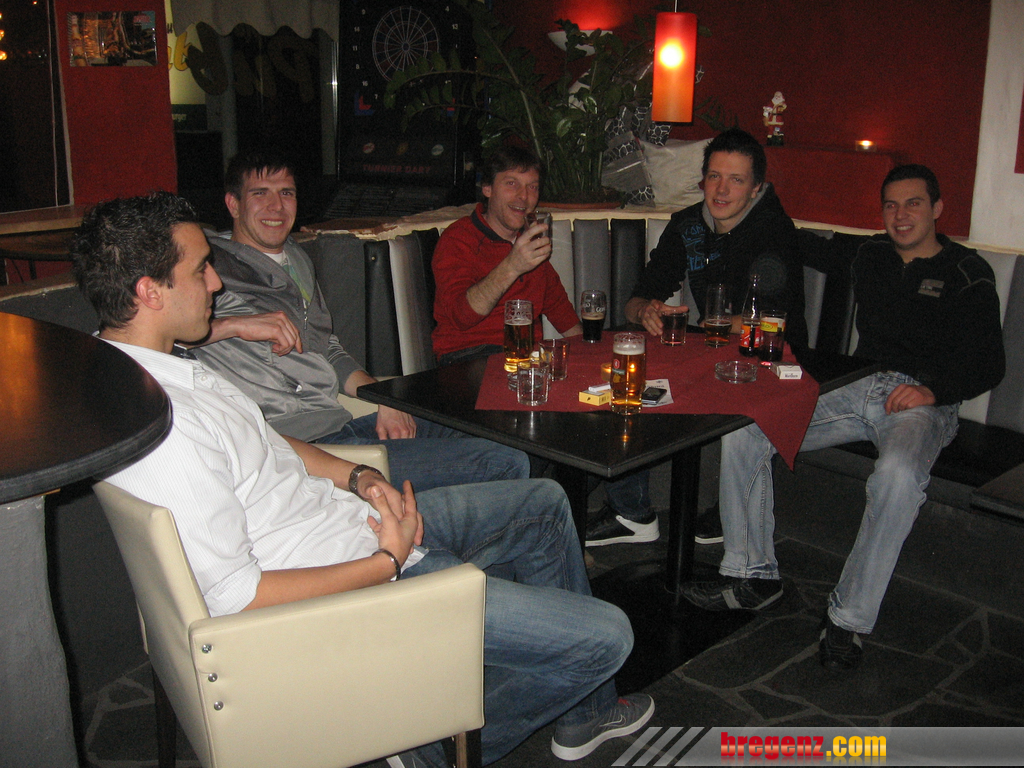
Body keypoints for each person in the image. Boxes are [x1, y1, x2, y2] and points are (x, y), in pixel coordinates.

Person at [70, 192, 654, 767]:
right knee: (608, 637)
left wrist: (359, 477)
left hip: (353, 523)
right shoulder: (165, 426)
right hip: (357, 585)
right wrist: (386, 562)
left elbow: (270, 444)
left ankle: (577, 712)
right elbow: (237, 598)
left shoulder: (154, 369)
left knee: (543, 502)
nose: (216, 283)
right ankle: (429, 747)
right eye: (201, 269)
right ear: (150, 291)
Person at [680, 165, 1005, 672]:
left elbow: (989, 363)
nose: (901, 215)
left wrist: (931, 390)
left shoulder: (967, 271)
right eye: (891, 205)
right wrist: (747, 203)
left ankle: (849, 619)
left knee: (897, 476)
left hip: (923, 402)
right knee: (747, 425)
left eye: (914, 203)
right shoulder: (871, 255)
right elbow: (798, 243)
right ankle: (752, 576)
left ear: (938, 209)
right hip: (855, 384)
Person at [189, 150, 529, 494]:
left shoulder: (297, 259)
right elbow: (163, 339)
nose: (276, 206)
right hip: (298, 447)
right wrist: (235, 325)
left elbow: (328, 349)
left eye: (286, 193)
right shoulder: (214, 269)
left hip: (341, 424)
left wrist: (383, 399)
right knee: (505, 461)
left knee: (495, 432)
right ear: (233, 204)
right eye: (260, 193)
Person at [431, 147, 656, 548]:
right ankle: (538, 525)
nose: (524, 197)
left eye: (532, 187)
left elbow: (566, 320)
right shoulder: (458, 240)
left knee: (614, 396)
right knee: (546, 420)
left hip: (526, 363)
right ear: (487, 189)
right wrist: (513, 264)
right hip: (466, 364)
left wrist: (600, 368)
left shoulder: (532, 245)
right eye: (512, 184)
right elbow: (462, 316)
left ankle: (631, 513)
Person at [624, 127, 807, 548]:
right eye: (714, 177)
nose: (721, 190)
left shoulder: (774, 231)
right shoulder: (688, 225)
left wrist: (718, 324)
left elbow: (773, 317)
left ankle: (731, 506)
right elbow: (637, 297)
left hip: (771, 357)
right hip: (710, 349)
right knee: (628, 377)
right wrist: (645, 310)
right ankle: (629, 509)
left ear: (756, 187)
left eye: (736, 180)